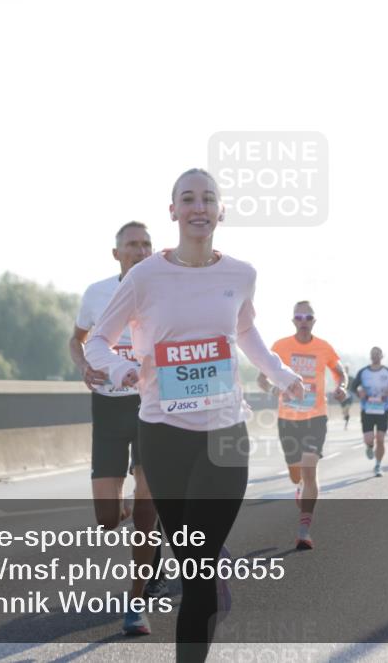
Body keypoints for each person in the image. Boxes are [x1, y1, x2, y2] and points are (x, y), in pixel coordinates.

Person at [86, 168, 304, 662]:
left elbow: (246, 332)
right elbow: (97, 340)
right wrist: (121, 368)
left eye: (208, 198)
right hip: (162, 435)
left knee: (199, 568)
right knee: (193, 564)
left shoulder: (241, 274)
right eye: (188, 199)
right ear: (173, 211)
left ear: (221, 210)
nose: (198, 207)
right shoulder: (145, 277)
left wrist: (280, 372)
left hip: (225, 434)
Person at [70, 221, 164, 635]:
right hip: (108, 407)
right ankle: (136, 512)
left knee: (144, 511)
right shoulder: (96, 293)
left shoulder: (166, 291)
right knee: (108, 518)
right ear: (117, 254)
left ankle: (137, 603)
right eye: (132, 245)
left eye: (146, 244)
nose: (140, 250)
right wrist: (84, 366)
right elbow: (77, 340)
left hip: (152, 407)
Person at [258, 301, 348, 551]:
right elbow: (261, 378)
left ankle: (304, 530)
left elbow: (340, 371)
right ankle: (298, 487)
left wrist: (342, 386)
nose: (304, 320)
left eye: (308, 316)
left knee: (310, 469)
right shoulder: (280, 347)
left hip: (315, 417)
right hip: (287, 419)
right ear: (293, 321)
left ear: (314, 320)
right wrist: (275, 388)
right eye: (299, 317)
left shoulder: (324, 347)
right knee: (295, 473)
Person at [349, 347, 388, 477]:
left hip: (383, 409)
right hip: (367, 409)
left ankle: (378, 465)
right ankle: (369, 446)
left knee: (381, 439)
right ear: (370, 356)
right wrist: (359, 392)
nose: (375, 356)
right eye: (373, 354)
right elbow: (353, 387)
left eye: (378, 354)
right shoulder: (363, 372)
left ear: (382, 356)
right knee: (369, 439)